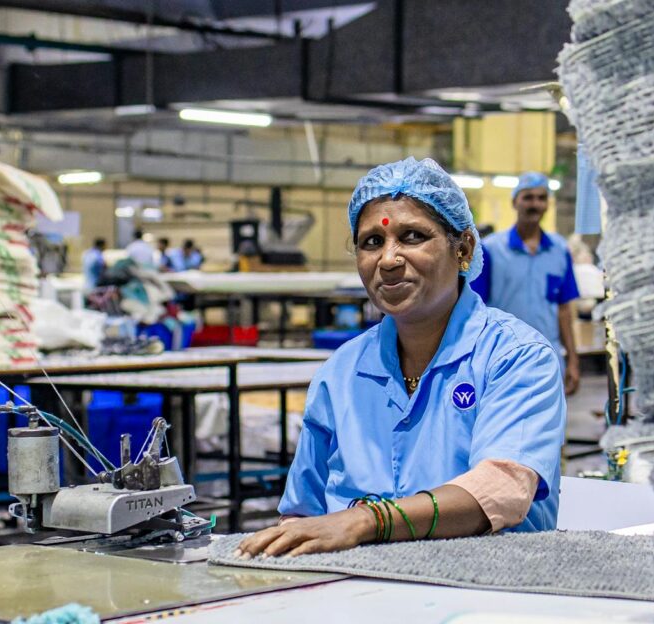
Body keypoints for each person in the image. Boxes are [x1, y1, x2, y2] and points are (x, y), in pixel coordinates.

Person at [236, 157, 566, 559]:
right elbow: (304, 511)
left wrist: (365, 522)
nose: (388, 260)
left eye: (411, 237)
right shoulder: (341, 372)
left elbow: (501, 489)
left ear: (463, 248)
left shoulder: (516, 358)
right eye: (371, 242)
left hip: (488, 591)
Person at [470, 172, 582, 395]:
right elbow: (474, 309)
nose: (535, 204)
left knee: (548, 426)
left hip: (547, 357)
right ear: (515, 202)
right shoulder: (491, 250)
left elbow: (563, 310)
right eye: (528, 197)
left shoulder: (559, 250)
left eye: (541, 198)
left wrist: (573, 360)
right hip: (501, 355)